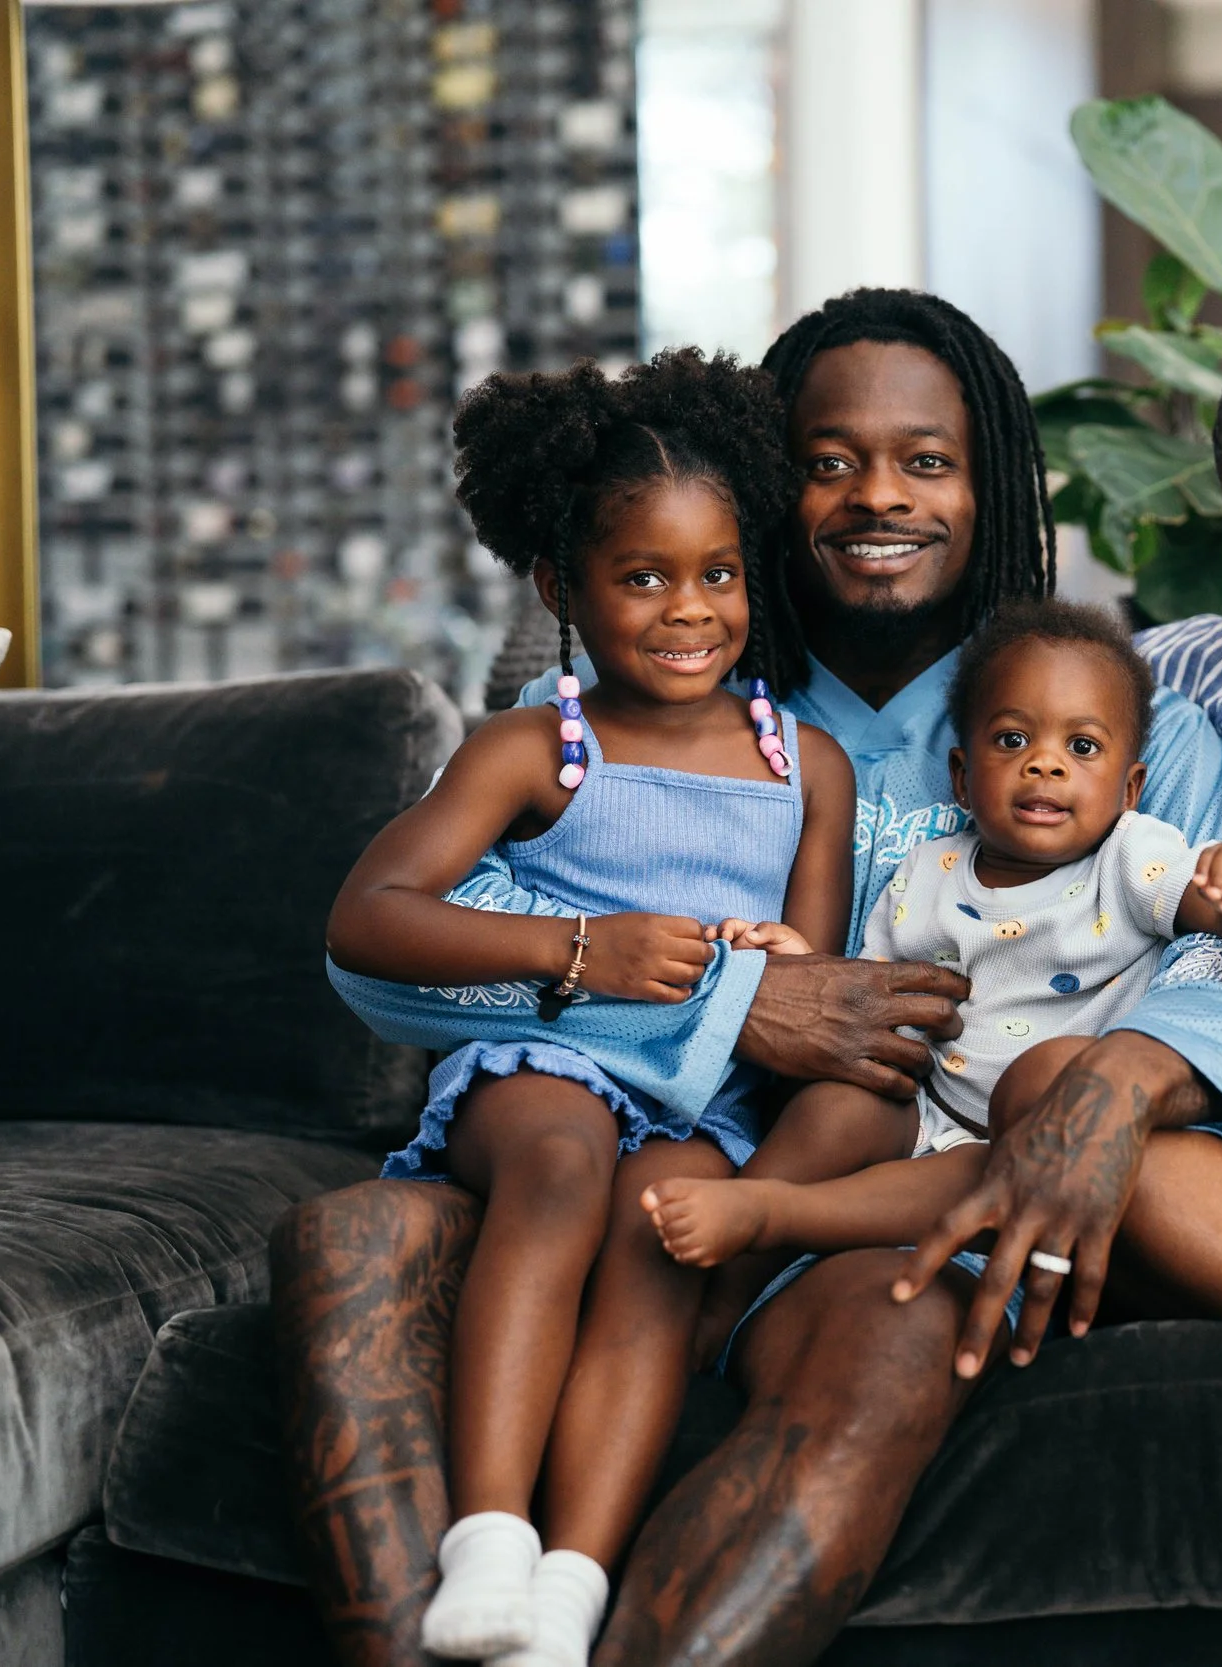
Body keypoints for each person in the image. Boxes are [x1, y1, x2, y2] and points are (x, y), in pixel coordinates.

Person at [272, 295, 1222, 1667]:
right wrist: (724, 1006)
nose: (879, 495)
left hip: (900, 1180)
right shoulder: (660, 686)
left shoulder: (1118, 700)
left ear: (993, 487)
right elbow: (401, 965)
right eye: (827, 460)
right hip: (627, 1135)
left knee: (911, 1314)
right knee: (351, 1242)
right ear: (761, 497)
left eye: (930, 459)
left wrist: (1118, 1074)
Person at [320, 351, 885, 1665]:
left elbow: (821, 962)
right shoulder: (533, 745)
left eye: (720, 573)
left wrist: (779, 953)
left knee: (660, 1241)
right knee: (566, 1170)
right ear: (560, 588)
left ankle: (570, 1583)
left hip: (706, 1079)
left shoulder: (810, 766)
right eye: (644, 577)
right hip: (549, 1053)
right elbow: (371, 912)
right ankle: (492, 1538)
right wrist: (583, 945)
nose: (690, 610)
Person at [643, 599, 1222, 1274]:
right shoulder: (928, 869)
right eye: (1013, 740)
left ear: (1130, 788)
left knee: (984, 1172)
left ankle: (774, 1216)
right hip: (930, 1109)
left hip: (1046, 1136)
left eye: (1082, 746)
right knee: (836, 1107)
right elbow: (871, 1001)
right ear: (961, 776)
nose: (1045, 764)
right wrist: (800, 960)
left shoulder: (1130, 857)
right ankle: (722, 1277)